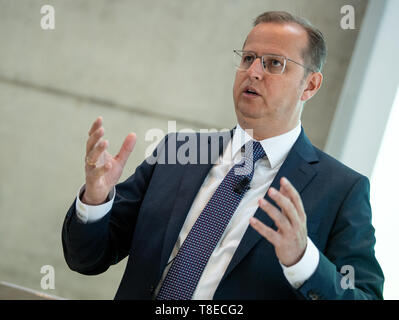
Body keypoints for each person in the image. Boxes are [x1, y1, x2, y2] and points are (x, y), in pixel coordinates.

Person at [62, 11, 384, 300]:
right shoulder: (178, 153)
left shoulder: (342, 191)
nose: (253, 72)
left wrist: (303, 260)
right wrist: (95, 201)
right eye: (248, 59)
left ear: (310, 85)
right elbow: (86, 258)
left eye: (273, 63)